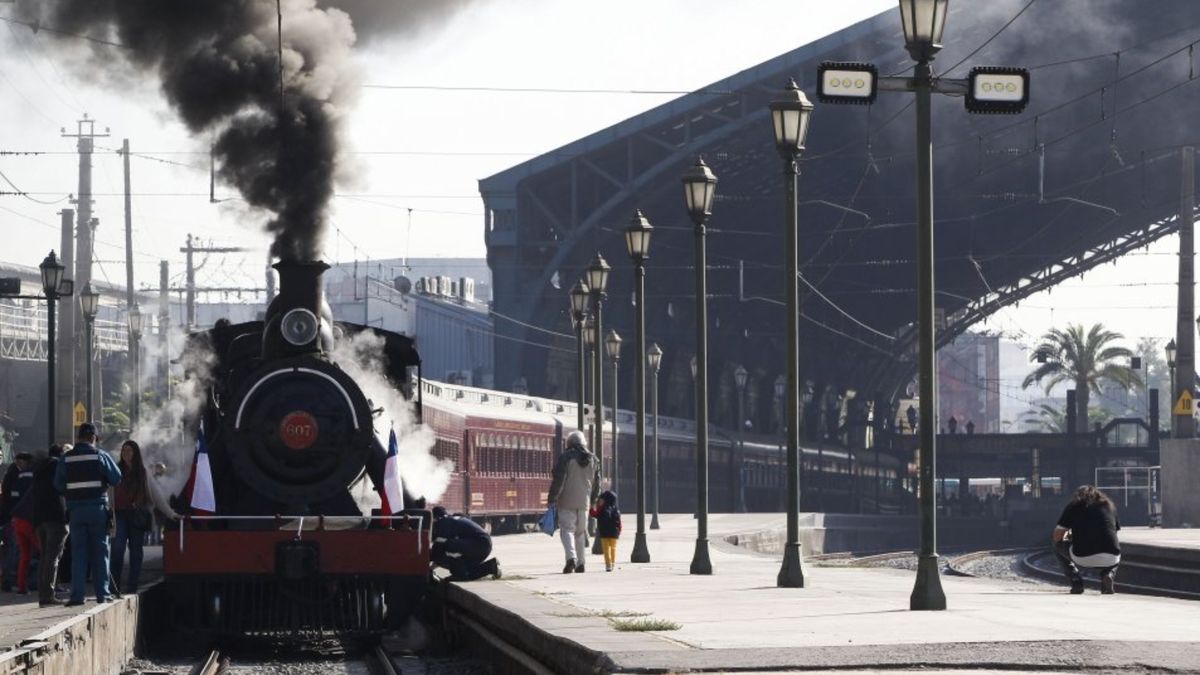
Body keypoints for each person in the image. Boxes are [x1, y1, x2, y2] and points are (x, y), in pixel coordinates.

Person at [54, 423, 122, 606]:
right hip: (98, 510)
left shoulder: (66, 459)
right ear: (94, 438)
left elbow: (58, 485)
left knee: (78, 554)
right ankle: (103, 595)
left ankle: (77, 596)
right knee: (100, 552)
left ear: (78, 437)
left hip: (76, 511)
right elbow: (116, 478)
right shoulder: (100, 455)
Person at [111, 440, 178, 594]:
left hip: (137, 515)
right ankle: (113, 587)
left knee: (136, 551)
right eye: (124, 450)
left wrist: (171, 513)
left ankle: (132, 588)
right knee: (117, 549)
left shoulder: (143, 472)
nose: (126, 453)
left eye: (129, 450)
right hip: (119, 514)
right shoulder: (115, 469)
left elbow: (157, 496)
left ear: (135, 453)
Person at [1053, 485, 1121, 594]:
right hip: (1111, 557)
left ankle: (1076, 581)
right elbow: (1114, 532)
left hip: (1082, 556)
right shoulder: (1109, 506)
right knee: (1115, 548)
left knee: (1056, 546)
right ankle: (1108, 574)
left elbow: (1057, 536)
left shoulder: (1073, 506)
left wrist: (1070, 537)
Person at [547, 430, 596, 574]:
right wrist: (592, 501)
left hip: (567, 500)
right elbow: (596, 484)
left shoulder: (566, 458)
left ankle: (571, 559)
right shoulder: (594, 459)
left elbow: (559, 480)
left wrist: (553, 498)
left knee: (567, 530)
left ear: (569, 443)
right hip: (584, 503)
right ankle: (581, 563)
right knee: (580, 533)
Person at [33, 445, 69, 607]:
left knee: (45, 557)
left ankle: (43, 595)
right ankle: (48, 596)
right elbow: (64, 488)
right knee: (53, 557)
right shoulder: (59, 466)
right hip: (56, 517)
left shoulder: (39, 469)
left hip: (39, 519)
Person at [430, 506, 500, 581]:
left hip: (479, 544)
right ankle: (491, 567)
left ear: (436, 518)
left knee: (449, 545)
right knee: (468, 572)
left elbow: (439, 547)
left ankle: (459, 575)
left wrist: (428, 563)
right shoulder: (452, 520)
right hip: (483, 544)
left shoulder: (444, 522)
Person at [1, 451, 34, 592]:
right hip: (13, 518)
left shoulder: (12, 473)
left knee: (17, 551)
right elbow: (12, 497)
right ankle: (10, 580)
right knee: (15, 551)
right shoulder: (15, 475)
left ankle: (12, 580)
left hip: (12, 517)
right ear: (21, 461)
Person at [589, 489, 622, 572]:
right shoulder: (616, 509)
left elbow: (594, 514)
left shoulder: (601, 509)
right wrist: (619, 530)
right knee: (613, 548)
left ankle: (608, 565)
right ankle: (613, 563)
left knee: (606, 549)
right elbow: (619, 521)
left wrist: (591, 509)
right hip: (614, 533)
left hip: (604, 533)